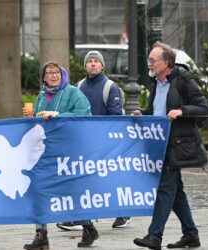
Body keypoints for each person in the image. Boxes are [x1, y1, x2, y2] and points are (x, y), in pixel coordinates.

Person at [133, 42, 208, 250]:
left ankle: (154, 235)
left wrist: (182, 111)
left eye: (152, 60)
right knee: (177, 193)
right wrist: (144, 113)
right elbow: (157, 112)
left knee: (165, 189)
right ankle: (191, 235)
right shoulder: (155, 84)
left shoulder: (182, 80)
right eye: (149, 59)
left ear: (166, 63)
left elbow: (204, 108)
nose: (149, 63)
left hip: (177, 145)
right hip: (160, 145)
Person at [22, 61, 97, 249]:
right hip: (45, 152)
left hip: (67, 151)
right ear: (44, 77)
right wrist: (30, 118)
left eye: (57, 72)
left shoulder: (72, 92)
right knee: (39, 190)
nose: (54, 75)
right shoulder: (40, 96)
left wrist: (57, 115)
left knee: (69, 192)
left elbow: (84, 113)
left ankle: (88, 226)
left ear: (62, 75)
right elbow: (39, 123)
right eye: (49, 73)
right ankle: (41, 235)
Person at [56, 50, 131, 232]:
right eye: (89, 61)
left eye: (96, 61)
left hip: (104, 142)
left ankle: (123, 212)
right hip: (82, 141)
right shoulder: (79, 86)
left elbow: (115, 117)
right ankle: (78, 217)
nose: (93, 64)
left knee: (108, 179)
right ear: (85, 66)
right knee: (82, 179)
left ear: (102, 65)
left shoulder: (110, 87)